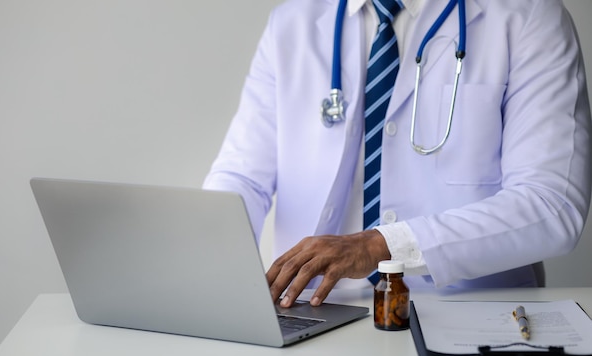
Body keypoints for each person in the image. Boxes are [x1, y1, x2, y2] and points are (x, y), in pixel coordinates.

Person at [203, 0, 592, 307]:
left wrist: (379, 246)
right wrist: (203, 259)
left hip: (470, 314)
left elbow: (552, 204)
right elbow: (242, 178)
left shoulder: (528, 16)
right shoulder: (291, 24)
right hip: (312, 311)